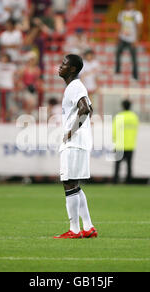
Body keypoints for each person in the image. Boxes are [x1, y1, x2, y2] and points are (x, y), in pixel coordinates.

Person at [54, 54, 97, 239]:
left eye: (64, 64)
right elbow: (89, 107)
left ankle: (74, 230)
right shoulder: (77, 87)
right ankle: (88, 227)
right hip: (81, 142)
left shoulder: (74, 86)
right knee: (75, 185)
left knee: (69, 183)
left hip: (74, 142)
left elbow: (85, 109)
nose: (60, 66)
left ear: (72, 69)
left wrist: (71, 131)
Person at [115, 0, 143, 81]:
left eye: (131, 3)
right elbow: (120, 26)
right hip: (122, 37)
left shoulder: (137, 14)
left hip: (132, 39)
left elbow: (139, 27)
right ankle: (117, 71)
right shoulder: (122, 13)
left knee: (134, 57)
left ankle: (135, 76)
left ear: (134, 4)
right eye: (128, 3)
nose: (129, 4)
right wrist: (118, 37)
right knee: (118, 53)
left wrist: (137, 39)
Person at [112, 99, 139, 184]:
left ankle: (115, 181)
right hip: (130, 144)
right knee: (129, 165)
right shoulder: (134, 117)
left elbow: (114, 131)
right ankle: (129, 181)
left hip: (120, 144)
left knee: (117, 165)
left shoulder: (119, 116)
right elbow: (136, 129)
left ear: (123, 106)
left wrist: (114, 140)